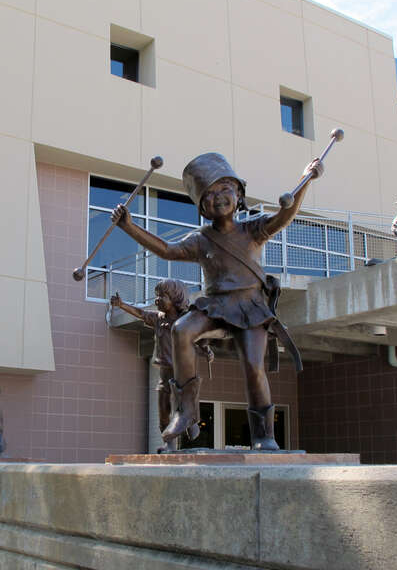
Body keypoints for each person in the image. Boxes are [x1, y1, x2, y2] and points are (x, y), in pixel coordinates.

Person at [111, 152, 323, 449]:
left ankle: (263, 434)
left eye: (225, 188)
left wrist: (307, 179)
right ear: (202, 207)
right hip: (215, 306)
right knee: (181, 329)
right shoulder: (200, 239)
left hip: (250, 307)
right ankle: (186, 412)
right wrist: (129, 226)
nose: (218, 197)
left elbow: (283, 216)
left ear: (239, 194)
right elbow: (168, 250)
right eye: (209, 195)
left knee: (254, 365)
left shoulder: (253, 229)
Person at [110, 281, 213, 452]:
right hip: (165, 373)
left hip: (184, 373)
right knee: (163, 409)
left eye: (162, 296)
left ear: (176, 299)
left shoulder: (185, 321)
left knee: (184, 406)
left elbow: (200, 340)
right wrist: (122, 305)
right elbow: (141, 313)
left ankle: (192, 421)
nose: (157, 299)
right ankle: (169, 443)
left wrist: (207, 351)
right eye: (156, 296)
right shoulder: (158, 319)